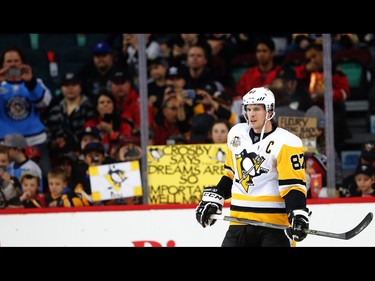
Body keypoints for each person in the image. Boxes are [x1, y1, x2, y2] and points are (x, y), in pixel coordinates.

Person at [195, 87, 309, 247]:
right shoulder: (236, 134)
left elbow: (293, 186)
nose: (251, 114)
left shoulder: (287, 142)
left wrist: (298, 213)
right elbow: (230, 175)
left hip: (274, 225)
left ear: (269, 111)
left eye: (257, 109)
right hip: (239, 221)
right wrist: (216, 198)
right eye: (248, 109)